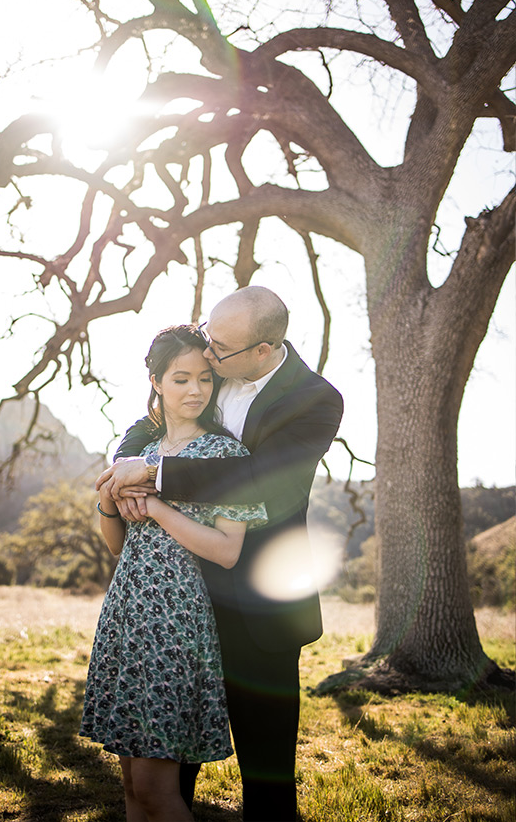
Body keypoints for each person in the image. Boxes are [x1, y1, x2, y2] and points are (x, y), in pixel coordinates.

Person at [97, 286, 344, 822]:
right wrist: (124, 468)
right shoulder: (208, 372)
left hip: (260, 601)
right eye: (207, 341)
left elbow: (260, 480)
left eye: (219, 350)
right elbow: (150, 425)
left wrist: (155, 479)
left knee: (267, 767)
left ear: (263, 350)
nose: (207, 356)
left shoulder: (317, 401)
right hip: (179, 600)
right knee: (168, 763)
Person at [79, 324, 267, 822]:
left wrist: (160, 509)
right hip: (126, 615)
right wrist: (107, 502)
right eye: (181, 379)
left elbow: (227, 551)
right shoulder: (141, 453)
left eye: (205, 379)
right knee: (130, 787)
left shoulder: (226, 456)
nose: (196, 391)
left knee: (156, 788)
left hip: (175, 622)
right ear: (157, 381)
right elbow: (121, 547)